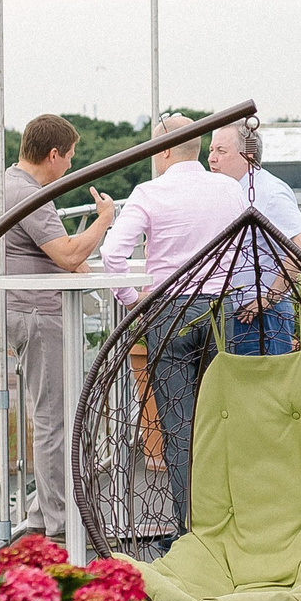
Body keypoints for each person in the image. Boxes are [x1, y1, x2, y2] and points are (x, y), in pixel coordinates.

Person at [98, 116, 248, 526]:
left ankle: (190, 526)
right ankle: (229, 521)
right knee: (223, 418)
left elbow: (112, 254)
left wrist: (133, 300)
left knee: (179, 426)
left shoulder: (149, 193)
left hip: (170, 312)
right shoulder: (229, 190)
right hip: (220, 310)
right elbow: (244, 246)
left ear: (163, 150)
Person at [0, 114, 118, 544]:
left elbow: (55, 253)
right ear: (53, 155)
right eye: (69, 158)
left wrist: (74, 260)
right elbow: (65, 254)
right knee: (53, 419)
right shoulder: (28, 194)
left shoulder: (10, 184)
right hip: (37, 312)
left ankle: (43, 513)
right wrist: (103, 220)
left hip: (27, 309)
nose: (69, 166)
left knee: (53, 414)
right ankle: (61, 523)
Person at [206, 117, 301, 355]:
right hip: (235, 313)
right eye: (211, 150)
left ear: (247, 154)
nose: (212, 158)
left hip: (262, 318)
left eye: (221, 151)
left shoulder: (268, 191)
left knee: (264, 380)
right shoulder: (230, 190)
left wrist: (270, 297)